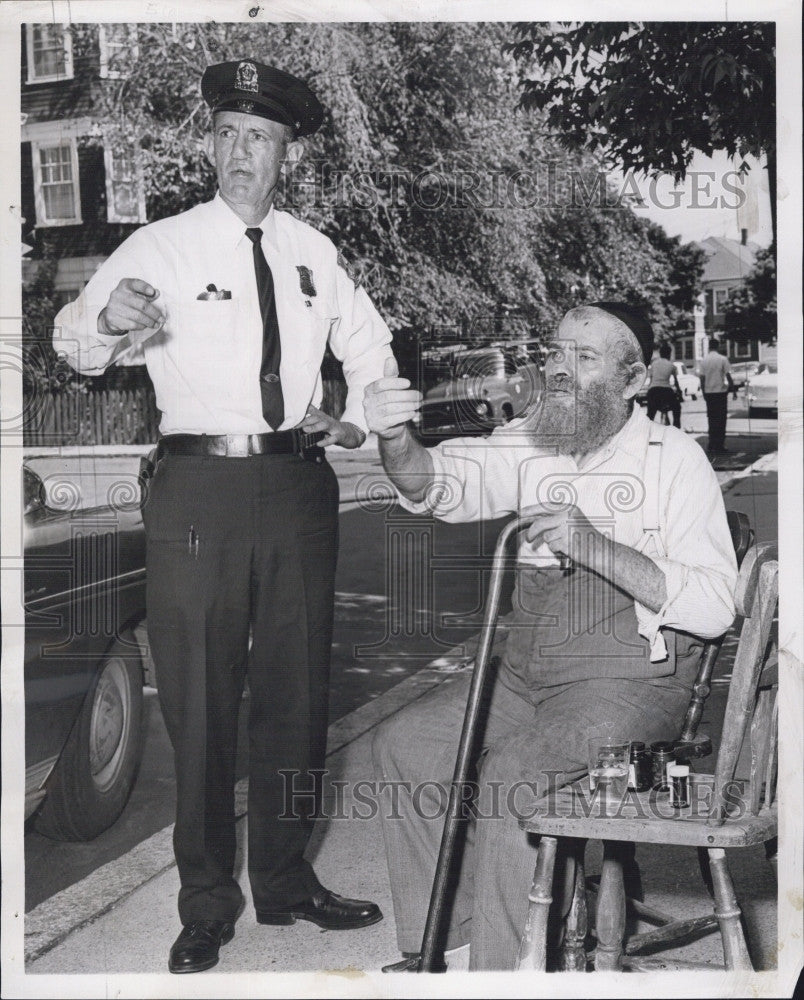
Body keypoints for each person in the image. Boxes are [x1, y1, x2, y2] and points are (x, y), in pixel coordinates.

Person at [55, 59, 393, 974]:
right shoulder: (161, 247)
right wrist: (107, 318)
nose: (242, 152)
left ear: (287, 156)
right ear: (212, 144)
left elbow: (375, 357)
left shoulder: (315, 253)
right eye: (229, 133)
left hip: (297, 491)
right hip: (198, 492)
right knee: (200, 700)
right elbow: (77, 346)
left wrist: (357, 419)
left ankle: (286, 884)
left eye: (262, 139)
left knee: (296, 697)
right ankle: (206, 902)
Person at [363, 302, 738, 970]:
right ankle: (449, 940)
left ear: (631, 380)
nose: (560, 370)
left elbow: (715, 608)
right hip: (527, 667)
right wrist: (393, 437)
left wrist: (595, 545)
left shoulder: (674, 460)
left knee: (514, 776)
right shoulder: (532, 438)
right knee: (407, 744)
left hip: (627, 680)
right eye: (557, 351)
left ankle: (509, 972)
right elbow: (434, 483)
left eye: (584, 357)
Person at [698, 337, 737, 457]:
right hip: (720, 393)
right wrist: (733, 389)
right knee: (721, 419)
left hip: (709, 393)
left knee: (711, 418)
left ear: (709, 347)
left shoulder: (704, 361)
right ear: (718, 346)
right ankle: (720, 444)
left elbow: (702, 378)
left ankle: (711, 443)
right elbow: (728, 375)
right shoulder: (722, 359)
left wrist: (704, 392)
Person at [646, 341, 683, 427]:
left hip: (653, 391)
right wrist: (679, 392)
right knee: (677, 408)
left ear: (660, 354)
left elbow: (651, 380)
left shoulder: (654, 364)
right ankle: (676, 427)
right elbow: (676, 382)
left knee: (650, 414)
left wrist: (648, 392)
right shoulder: (672, 365)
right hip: (666, 391)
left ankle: (646, 430)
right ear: (669, 354)